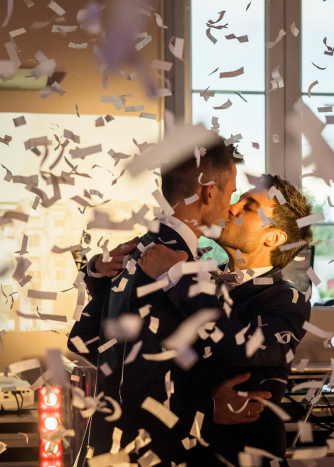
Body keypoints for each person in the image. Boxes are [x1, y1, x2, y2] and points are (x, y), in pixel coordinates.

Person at [67, 138, 255, 465]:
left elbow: (81, 342)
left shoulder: (136, 250)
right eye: (231, 193)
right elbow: (140, 387)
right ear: (210, 192)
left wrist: (97, 274)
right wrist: (208, 407)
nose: (231, 206)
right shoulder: (173, 266)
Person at [138, 174, 314, 465]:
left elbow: (238, 345)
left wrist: (177, 277)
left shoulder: (288, 301)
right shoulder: (200, 278)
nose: (231, 207)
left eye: (248, 206)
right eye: (238, 199)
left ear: (274, 237)